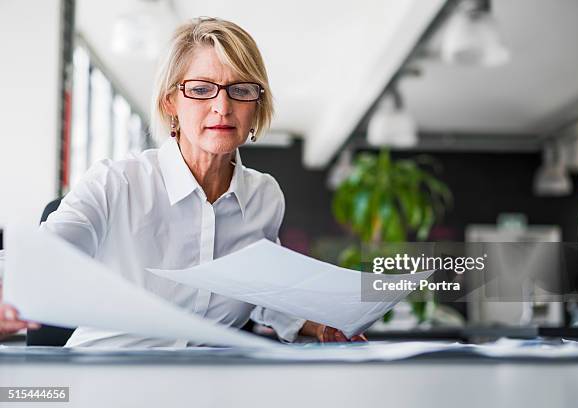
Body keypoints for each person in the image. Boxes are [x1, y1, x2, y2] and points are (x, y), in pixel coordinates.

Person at [0, 17, 366, 346]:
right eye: (202, 89)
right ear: (170, 102)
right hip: (110, 376)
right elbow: (37, 258)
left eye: (240, 90)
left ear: (256, 104)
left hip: (210, 382)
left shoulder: (263, 197)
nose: (222, 108)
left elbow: (258, 291)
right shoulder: (116, 184)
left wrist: (315, 324)